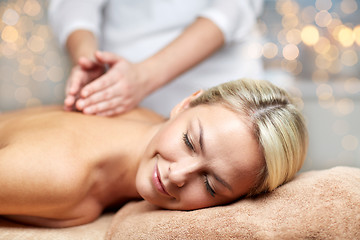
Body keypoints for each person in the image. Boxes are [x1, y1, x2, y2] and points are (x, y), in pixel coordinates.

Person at [0, 79, 308, 228]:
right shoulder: (61, 174)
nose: (177, 175)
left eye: (210, 185)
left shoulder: (146, 120)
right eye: (189, 142)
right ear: (186, 103)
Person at [48, 0, 264, 116]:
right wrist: (87, 58)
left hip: (219, 94)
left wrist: (145, 77)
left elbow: (234, 7)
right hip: (111, 95)